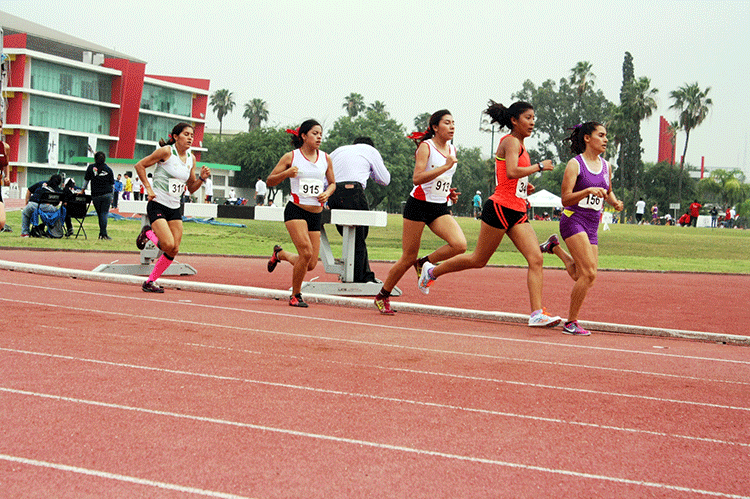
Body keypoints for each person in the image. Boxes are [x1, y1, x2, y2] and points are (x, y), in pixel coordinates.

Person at [415, 101, 561, 328]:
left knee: (536, 258)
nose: (532, 123)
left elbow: (511, 175)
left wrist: (525, 185)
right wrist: (539, 167)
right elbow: (512, 171)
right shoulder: (510, 141)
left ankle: (536, 314)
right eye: (528, 118)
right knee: (478, 259)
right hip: (501, 207)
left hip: (518, 209)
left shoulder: (521, 146)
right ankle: (432, 271)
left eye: (534, 118)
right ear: (514, 120)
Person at [373, 109, 466, 315]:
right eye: (447, 123)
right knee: (407, 257)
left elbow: (442, 179)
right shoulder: (426, 147)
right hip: (419, 205)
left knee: (459, 245)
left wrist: (448, 192)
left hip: (440, 206)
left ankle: (425, 263)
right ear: (435, 127)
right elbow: (417, 178)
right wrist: (445, 167)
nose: (452, 127)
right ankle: (383, 295)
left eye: (453, 123)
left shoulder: (453, 149)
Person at [549, 122, 623, 336]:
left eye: (606, 135)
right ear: (588, 138)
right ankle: (570, 322)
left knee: (584, 275)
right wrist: (587, 190)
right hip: (573, 219)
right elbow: (565, 199)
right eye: (601, 135)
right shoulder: (576, 164)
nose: (606, 139)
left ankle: (555, 248)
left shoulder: (606, 166)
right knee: (589, 273)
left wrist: (615, 203)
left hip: (592, 224)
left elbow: (607, 192)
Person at [266, 119, 336, 307]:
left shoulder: (325, 158)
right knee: (305, 252)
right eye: (315, 133)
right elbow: (270, 181)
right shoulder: (291, 157)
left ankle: (280, 254)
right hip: (296, 210)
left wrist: (327, 194)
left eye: (321, 133)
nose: (319, 137)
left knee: (311, 263)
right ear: (303, 136)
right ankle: (295, 295)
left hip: (316, 213)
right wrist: (286, 174)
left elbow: (332, 183)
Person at [133, 122, 210, 293]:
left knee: (174, 249)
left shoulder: (191, 158)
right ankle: (147, 232)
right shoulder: (166, 152)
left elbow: (190, 187)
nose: (190, 138)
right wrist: (149, 188)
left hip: (175, 207)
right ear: (175, 137)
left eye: (192, 135)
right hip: (158, 203)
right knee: (167, 244)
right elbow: (140, 165)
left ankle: (150, 281)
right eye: (186, 134)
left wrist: (202, 179)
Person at [328, 136, 391, 283]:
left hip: (332, 192)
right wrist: (370, 172)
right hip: (353, 191)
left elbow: (325, 173)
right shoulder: (371, 151)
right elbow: (385, 179)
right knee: (359, 234)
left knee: (353, 235)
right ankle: (359, 277)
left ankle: (359, 273)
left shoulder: (338, 150)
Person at [82, 151, 115, 240]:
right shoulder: (108, 169)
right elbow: (112, 184)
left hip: (96, 194)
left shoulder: (91, 167)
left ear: (95, 159)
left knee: (100, 214)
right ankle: (103, 233)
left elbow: (86, 180)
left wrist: (82, 190)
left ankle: (102, 233)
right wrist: (112, 196)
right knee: (104, 213)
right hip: (107, 194)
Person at [0, 118, 10, 232]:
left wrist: (7, 176)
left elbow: (7, 163)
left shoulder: (5, 147)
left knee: (1, 220)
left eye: (0, 126)